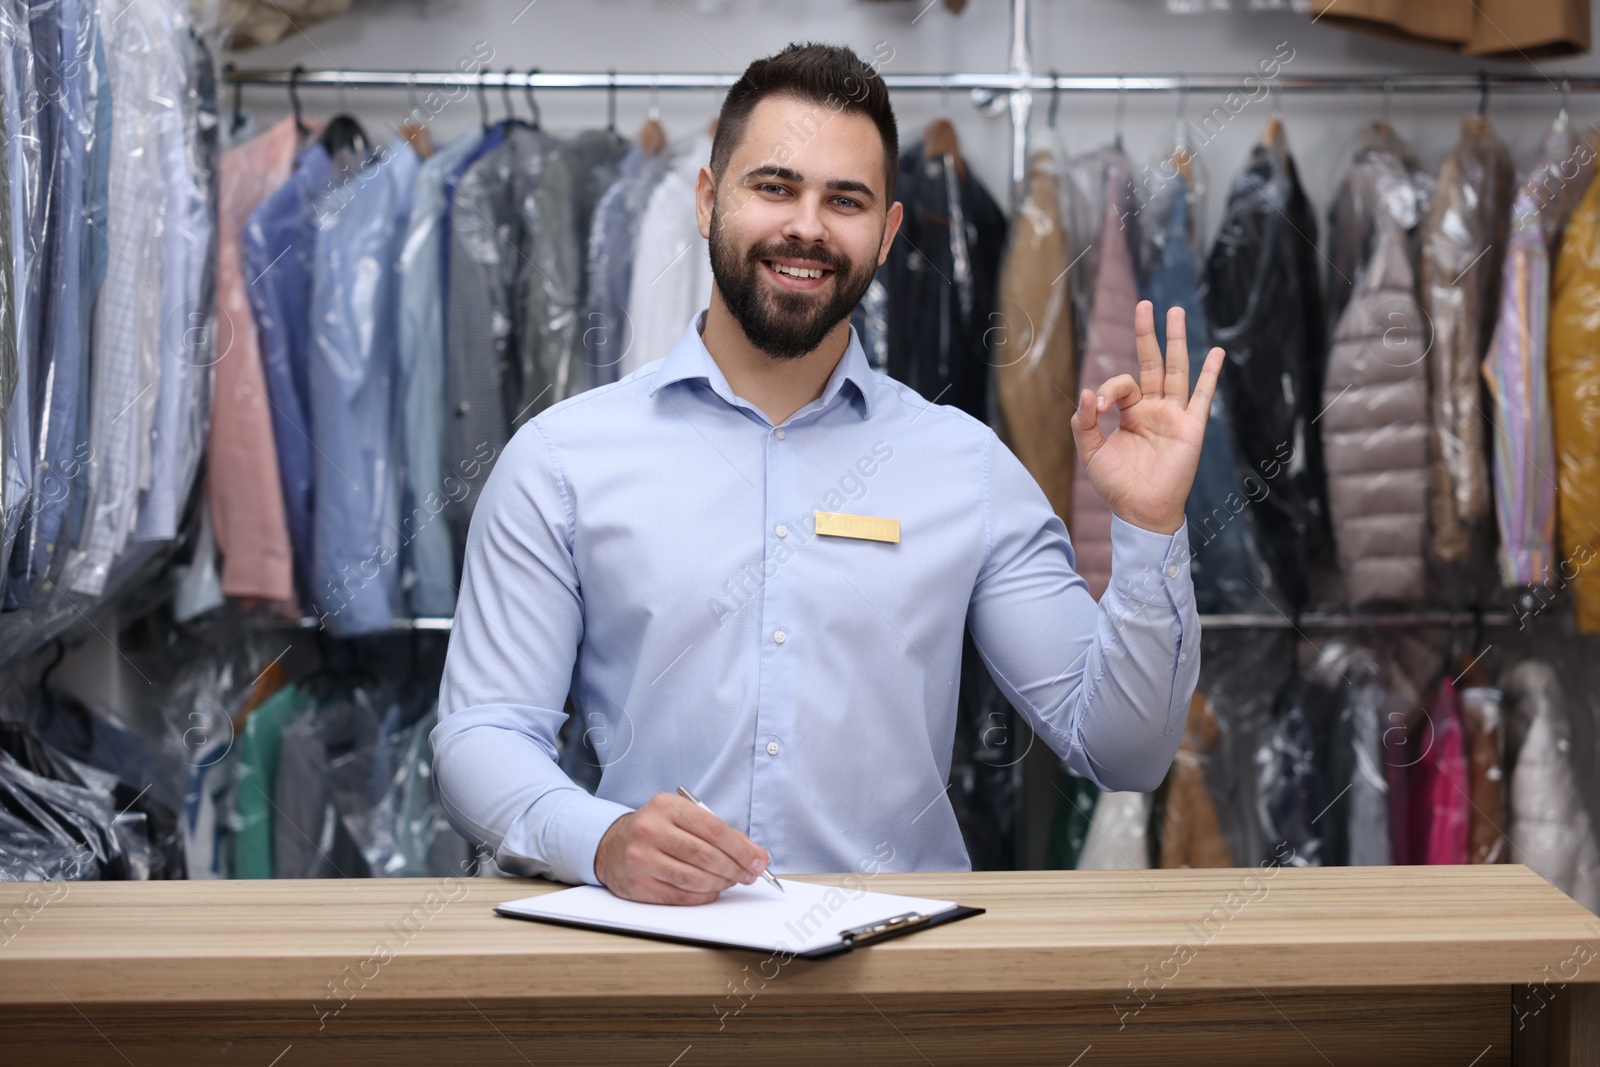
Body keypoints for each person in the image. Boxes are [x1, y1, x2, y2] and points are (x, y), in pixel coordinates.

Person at [432, 42, 1223, 905]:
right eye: (774, 187)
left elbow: (1124, 748)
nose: (806, 225)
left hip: (898, 997)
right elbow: (481, 735)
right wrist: (603, 839)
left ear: (885, 235)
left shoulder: (967, 469)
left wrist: (1148, 528)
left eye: (844, 200)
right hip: (650, 979)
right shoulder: (560, 462)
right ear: (708, 201)